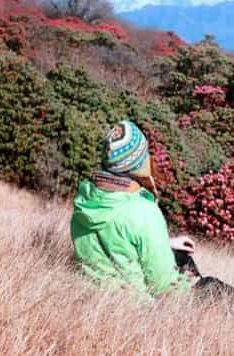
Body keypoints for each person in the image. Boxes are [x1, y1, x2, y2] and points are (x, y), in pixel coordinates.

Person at [70, 120, 194, 296]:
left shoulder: (85, 200)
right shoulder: (143, 211)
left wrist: (166, 244)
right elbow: (165, 286)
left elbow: (113, 240)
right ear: (136, 162)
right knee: (213, 286)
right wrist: (192, 287)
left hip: (90, 299)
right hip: (135, 310)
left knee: (179, 255)